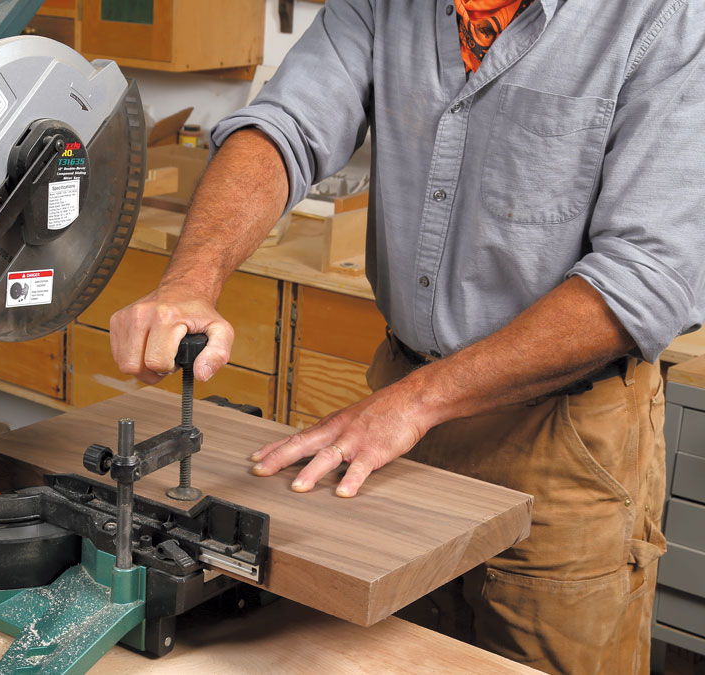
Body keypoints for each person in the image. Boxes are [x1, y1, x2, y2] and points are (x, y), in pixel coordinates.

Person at [108, 1, 705, 672]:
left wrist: (417, 401)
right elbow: (285, 126)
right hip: (403, 409)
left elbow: (645, 277)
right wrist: (191, 279)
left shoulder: (668, 18)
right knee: (386, 654)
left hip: (561, 438)